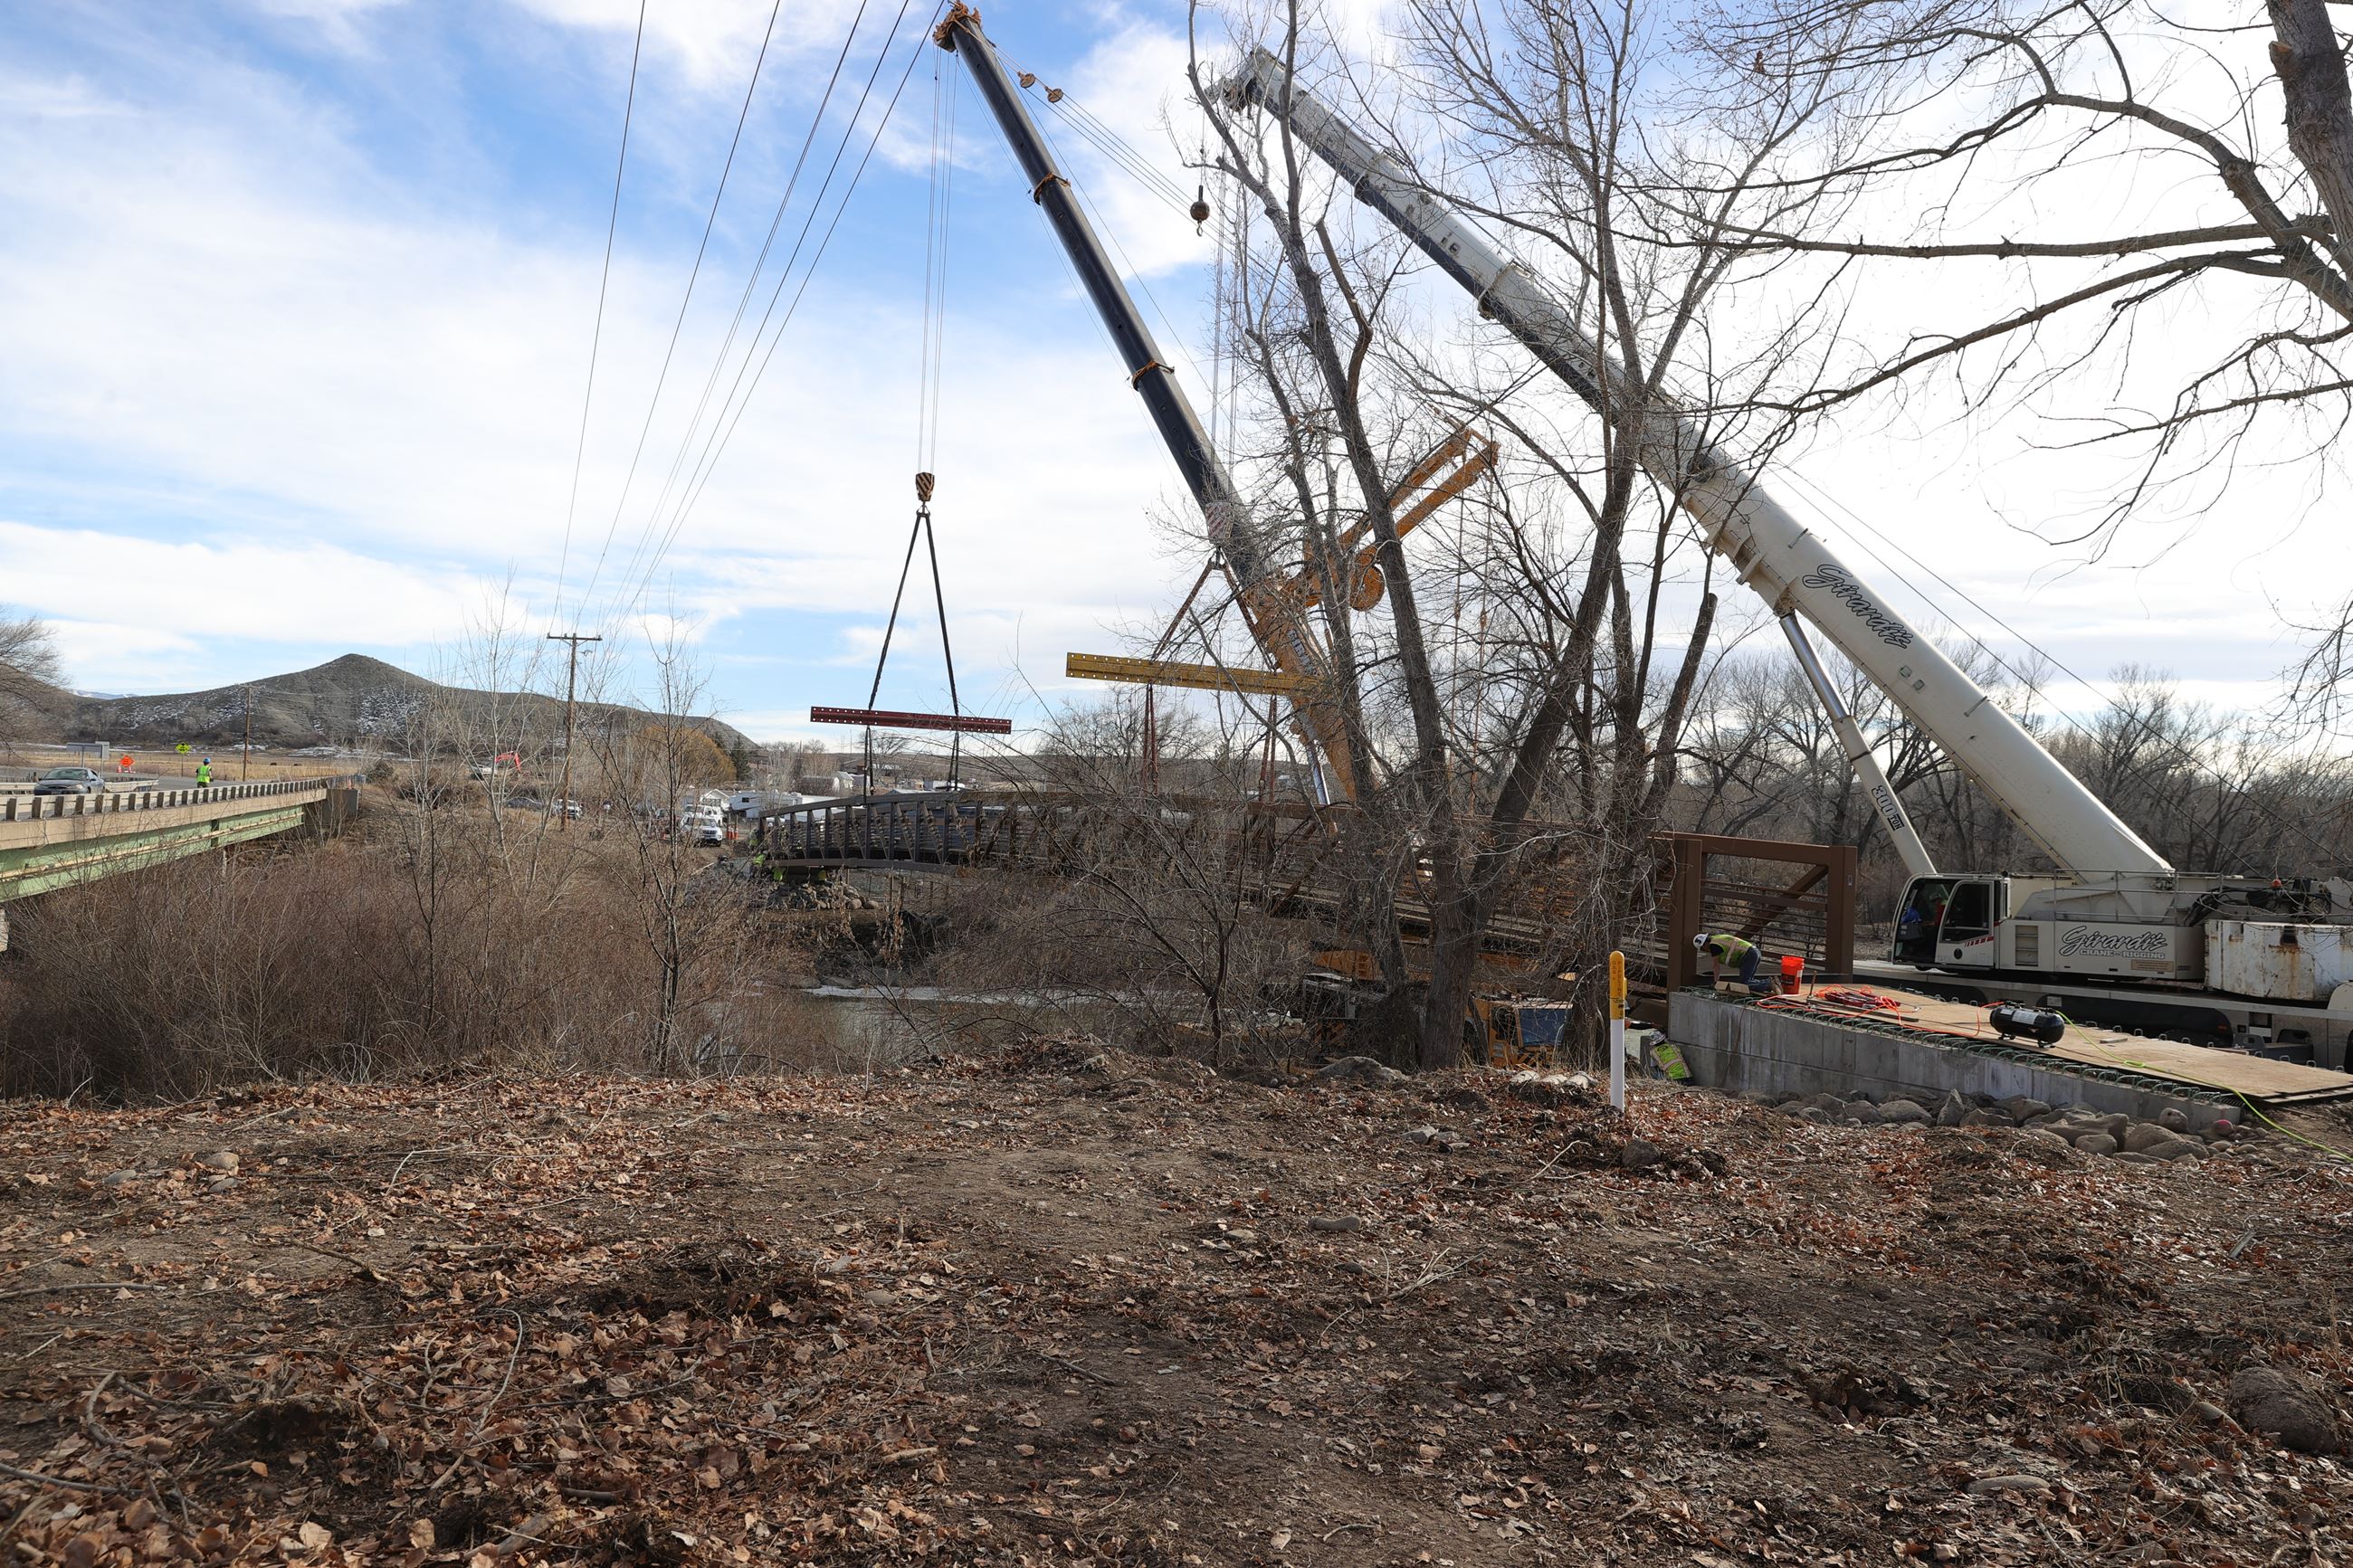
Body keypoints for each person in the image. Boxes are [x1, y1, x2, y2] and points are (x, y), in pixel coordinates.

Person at [1693, 930, 1771, 993]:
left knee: (1744, 984)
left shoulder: (1713, 945)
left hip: (1748, 954)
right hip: (1753, 952)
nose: (1706, 951)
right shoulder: (1717, 938)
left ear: (1704, 945)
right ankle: (1770, 983)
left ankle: (1768, 984)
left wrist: (1716, 982)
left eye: (1703, 949)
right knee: (1749, 981)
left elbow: (1715, 965)